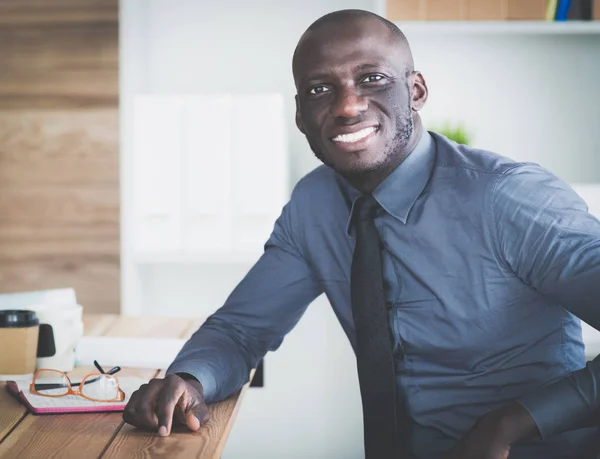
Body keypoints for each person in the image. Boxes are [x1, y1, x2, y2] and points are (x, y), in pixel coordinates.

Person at [123, 9, 600, 459]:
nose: (348, 105)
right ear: (299, 115)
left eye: (372, 79)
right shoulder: (315, 206)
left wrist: (510, 422)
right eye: (319, 89)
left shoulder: (508, 198)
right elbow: (242, 328)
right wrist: (190, 380)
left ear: (416, 90)